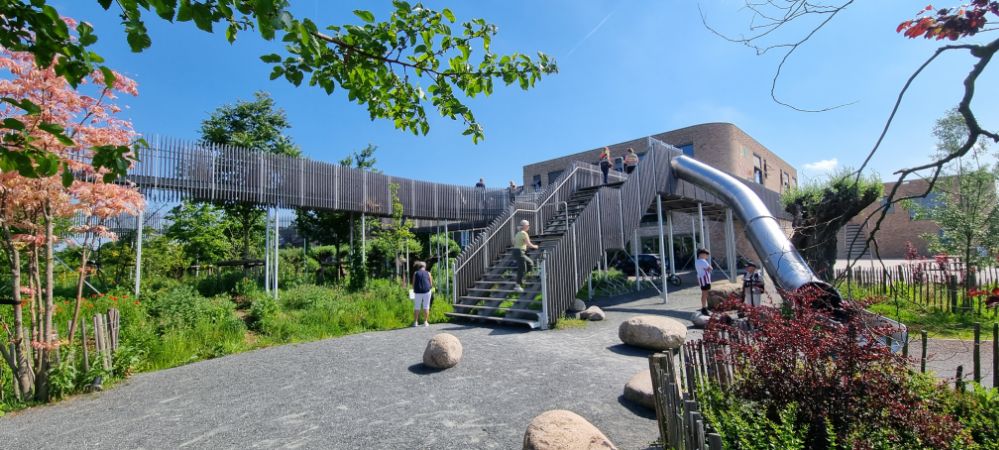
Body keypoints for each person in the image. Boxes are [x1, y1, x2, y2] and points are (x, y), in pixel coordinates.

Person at [512, 219, 538, 292]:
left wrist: (522, 244)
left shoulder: (518, 233)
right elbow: (529, 244)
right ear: (524, 226)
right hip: (520, 252)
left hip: (516, 251)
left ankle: (524, 278)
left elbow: (513, 242)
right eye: (528, 225)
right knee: (522, 268)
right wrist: (535, 246)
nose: (529, 226)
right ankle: (517, 286)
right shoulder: (524, 233)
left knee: (530, 263)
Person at [411, 261, 433, 327]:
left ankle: (415, 322)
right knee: (426, 306)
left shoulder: (415, 273)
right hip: (427, 291)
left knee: (417, 307)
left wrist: (414, 289)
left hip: (418, 292)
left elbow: (413, 283)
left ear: (418, 267)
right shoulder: (428, 273)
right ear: (424, 267)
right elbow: (431, 284)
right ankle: (425, 322)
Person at [695, 249, 712, 315]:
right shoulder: (703, 261)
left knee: (704, 294)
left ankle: (704, 307)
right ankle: (704, 308)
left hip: (701, 279)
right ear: (702, 254)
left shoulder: (697, 261)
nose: (707, 256)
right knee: (705, 294)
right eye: (706, 255)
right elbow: (710, 268)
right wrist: (709, 268)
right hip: (705, 279)